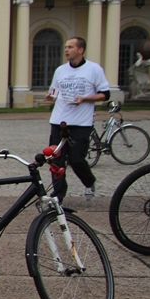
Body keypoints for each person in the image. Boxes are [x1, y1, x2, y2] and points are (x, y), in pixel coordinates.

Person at [45, 36, 110, 202]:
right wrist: (50, 97)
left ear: (80, 50)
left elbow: (105, 95)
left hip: (81, 123)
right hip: (59, 121)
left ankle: (89, 181)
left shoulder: (94, 70)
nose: (66, 50)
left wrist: (85, 99)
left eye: (70, 47)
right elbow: (54, 92)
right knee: (56, 160)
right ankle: (57, 196)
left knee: (76, 160)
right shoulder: (60, 70)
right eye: (66, 46)